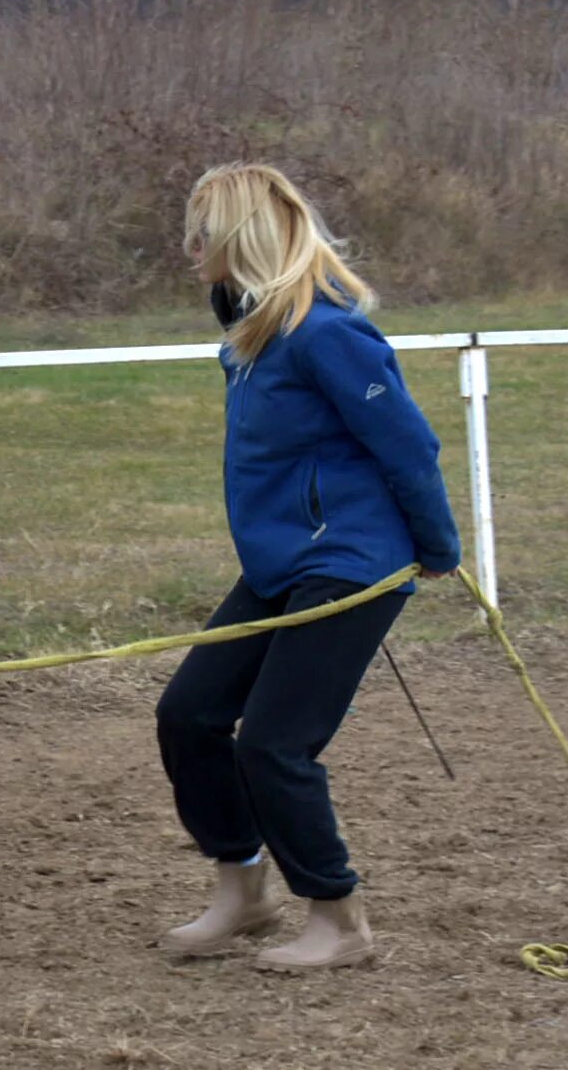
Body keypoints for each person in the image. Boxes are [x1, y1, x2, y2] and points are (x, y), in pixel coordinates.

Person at [156, 163, 462, 971]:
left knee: (273, 746)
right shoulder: (252, 339)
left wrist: (437, 550)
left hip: (353, 564)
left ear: (240, 238)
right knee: (189, 715)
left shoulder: (329, 333)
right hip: (280, 566)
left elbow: (410, 446)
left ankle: (339, 919)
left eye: (203, 233)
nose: (189, 248)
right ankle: (245, 890)